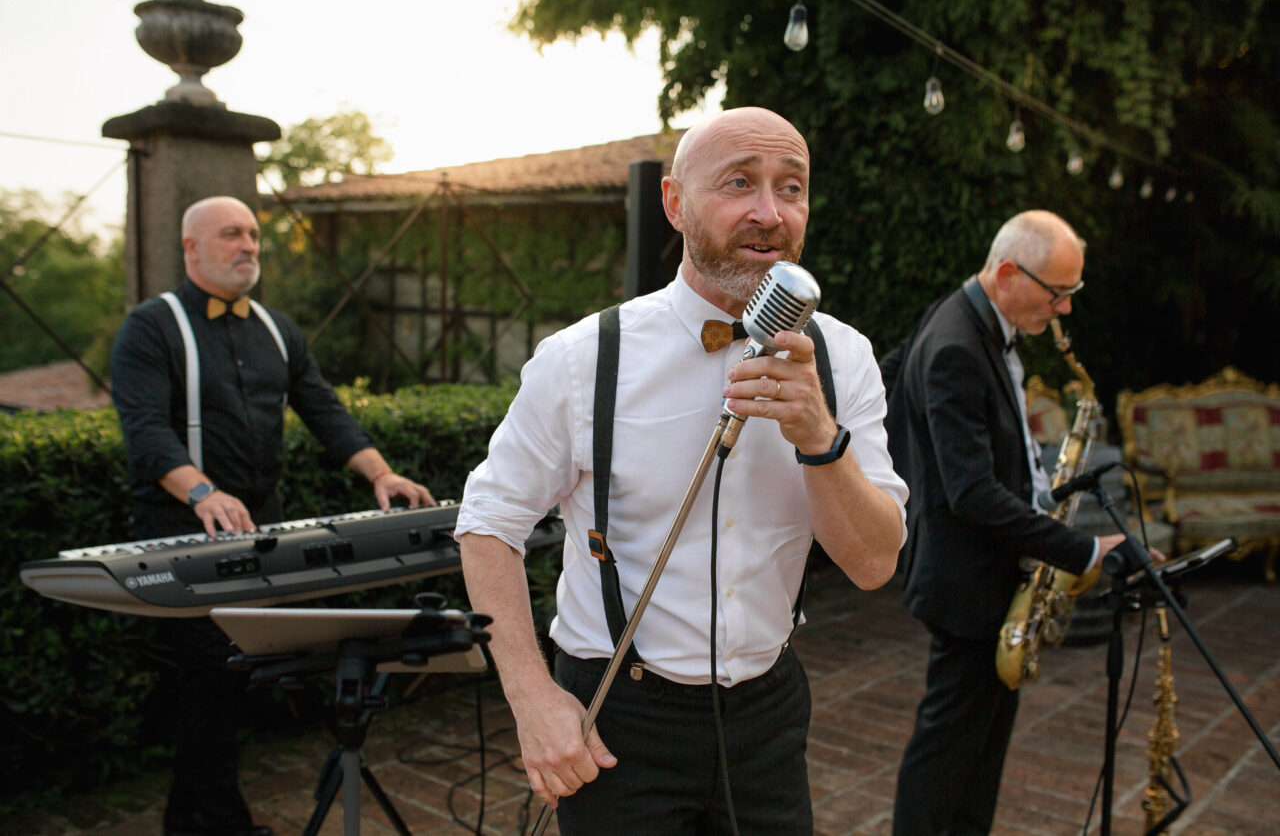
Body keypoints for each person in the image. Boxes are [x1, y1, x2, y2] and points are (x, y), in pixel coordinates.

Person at [454, 106, 908, 833]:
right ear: (675, 202)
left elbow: (875, 563)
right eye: (739, 182)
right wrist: (532, 697)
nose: (770, 212)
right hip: (617, 718)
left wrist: (820, 436)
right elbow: (487, 524)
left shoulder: (845, 357)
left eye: (792, 188)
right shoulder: (584, 358)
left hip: (767, 713)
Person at [109, 195, 433, 836]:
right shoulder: (151, 328)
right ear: (191, 248)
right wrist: (203, 493)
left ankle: (185, 821)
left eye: (254, 235)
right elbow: (145, 434)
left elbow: (324, 412)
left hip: (261, 531)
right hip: (180, 533)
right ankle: (226, 824)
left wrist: (382, 473)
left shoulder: (279, 331)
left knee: (224, 684)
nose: (249, 246)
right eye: (232, 234)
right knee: (211, 677)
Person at [885, 210, 1128, 835]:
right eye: (1058, 293)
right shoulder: (956, 347)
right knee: (946, 753)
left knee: (979, 750)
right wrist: (1082, 550)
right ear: (1009, 273)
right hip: (966, 580)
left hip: (982, 575)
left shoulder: (975, 323)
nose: (1066, 309)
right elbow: (971, 494)